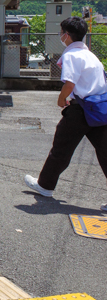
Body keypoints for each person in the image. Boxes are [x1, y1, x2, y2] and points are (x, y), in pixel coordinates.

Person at [23, 16, 107, 207]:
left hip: (79, 109)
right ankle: (45, 184)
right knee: (105, 151)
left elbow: (70, 83)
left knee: (61, 148)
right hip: (100, 109)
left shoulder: (71, 56)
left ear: (67, 36)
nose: (60, 36)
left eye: (61, 32)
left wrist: (61, 100)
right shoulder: (91, 56)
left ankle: (45, 185)